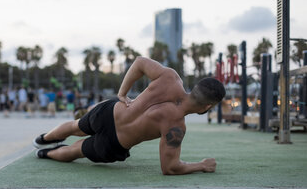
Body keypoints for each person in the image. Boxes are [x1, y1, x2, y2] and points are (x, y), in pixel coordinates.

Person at [33, 57, 225, 175]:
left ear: (196, 88)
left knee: (76, 126)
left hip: (111, 112)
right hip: (114, 142)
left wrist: (122, 94)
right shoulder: (175, 126)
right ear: (207, 106)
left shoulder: (171, 78)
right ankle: (44, 154)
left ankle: (43, 139)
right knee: (76, 150)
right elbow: (170, 168)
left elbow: (140, 62)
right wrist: (201, 165)